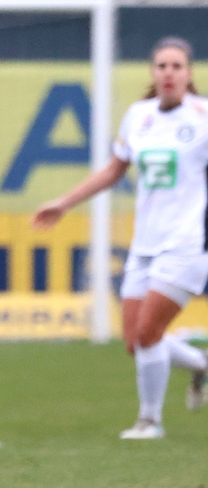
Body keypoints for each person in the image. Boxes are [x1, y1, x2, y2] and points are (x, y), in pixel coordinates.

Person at [33, 36, 208, 440]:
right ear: (152, 72)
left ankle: (150, 420)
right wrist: (64, 202)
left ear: (189, 73)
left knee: (149, 334)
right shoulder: (139, 116)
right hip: (144, 244)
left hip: (186, 244)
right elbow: (113, 171)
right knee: (135, 341)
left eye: (177, 66)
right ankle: (199, 363)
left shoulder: (201, 117)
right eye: (161, 66)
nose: (168, 73)